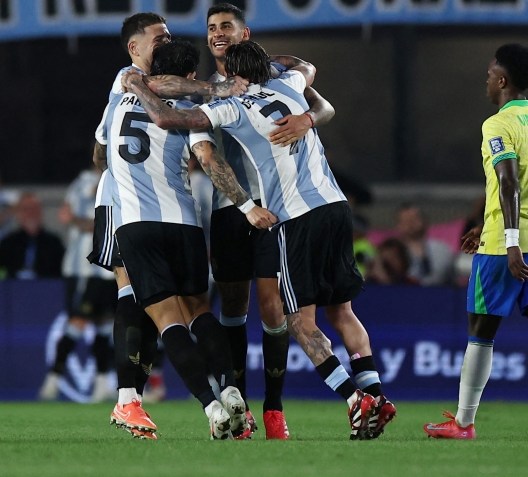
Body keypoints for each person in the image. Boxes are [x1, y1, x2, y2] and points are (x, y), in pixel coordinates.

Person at [123, 40, 396, 441]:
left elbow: (166, 118)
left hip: (296, 217)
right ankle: (378, 396)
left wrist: (138, 84)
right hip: (337, 207)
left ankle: (356, 400)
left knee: (297, 321)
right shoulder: (289, 84)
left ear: (234, 75)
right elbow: (306, 66)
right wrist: (309, 115)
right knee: (343, 311)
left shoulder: (232, 105)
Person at [87, 13, 248, 440]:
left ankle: (140, 400)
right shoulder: (130, 78)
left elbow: (100, 150)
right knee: (143, 298)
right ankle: (132, 399)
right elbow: (204, 152)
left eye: (168, 38)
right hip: (140, 208)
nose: (165, 42)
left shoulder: (126, 94)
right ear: (134, 48)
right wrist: (218, 88)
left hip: (137, 213)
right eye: (158, 37)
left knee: (155, 309)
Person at [424, 43, 528, 441]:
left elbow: (510, 181)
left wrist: (509, 239)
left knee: (480, 331)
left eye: (489, 74)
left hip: (504, 246)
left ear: (502, 80)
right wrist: (487, 221)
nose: (485, 80)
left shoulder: (497, 125)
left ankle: (463, 423)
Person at [201, 2, 337, 440]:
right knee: (233, 308)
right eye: (212, 27)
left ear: (245, 34)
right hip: (229, 209)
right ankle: (239, 408)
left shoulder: (273, 75)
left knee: (272, 305)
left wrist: (308, 119)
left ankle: (275, 408)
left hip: (275, 205)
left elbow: (321, 99)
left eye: (226, 26)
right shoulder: (204, 89)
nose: (218, 33)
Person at [37, 166, 117, 404]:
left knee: (105, 324)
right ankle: (53, 379)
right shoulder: (84, 183)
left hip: (109, 268)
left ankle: (102, 383)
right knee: (78, 321)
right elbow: (71, 217)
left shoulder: (120, 178)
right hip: (86, 268)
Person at [0, 194, 65, 279]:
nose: (30, 213)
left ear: (41, 211)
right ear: (18, 213)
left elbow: (63, 273)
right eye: (26, 209)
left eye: (34, 208)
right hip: (15, 286)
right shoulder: (8, 243)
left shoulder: (54, 243)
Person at [396, 203, 455, 286]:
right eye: (405, 221)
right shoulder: (395, 252)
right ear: (399, 226)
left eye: (414, 219)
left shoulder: (441, 249)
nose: (410, 224)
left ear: (424, 220)